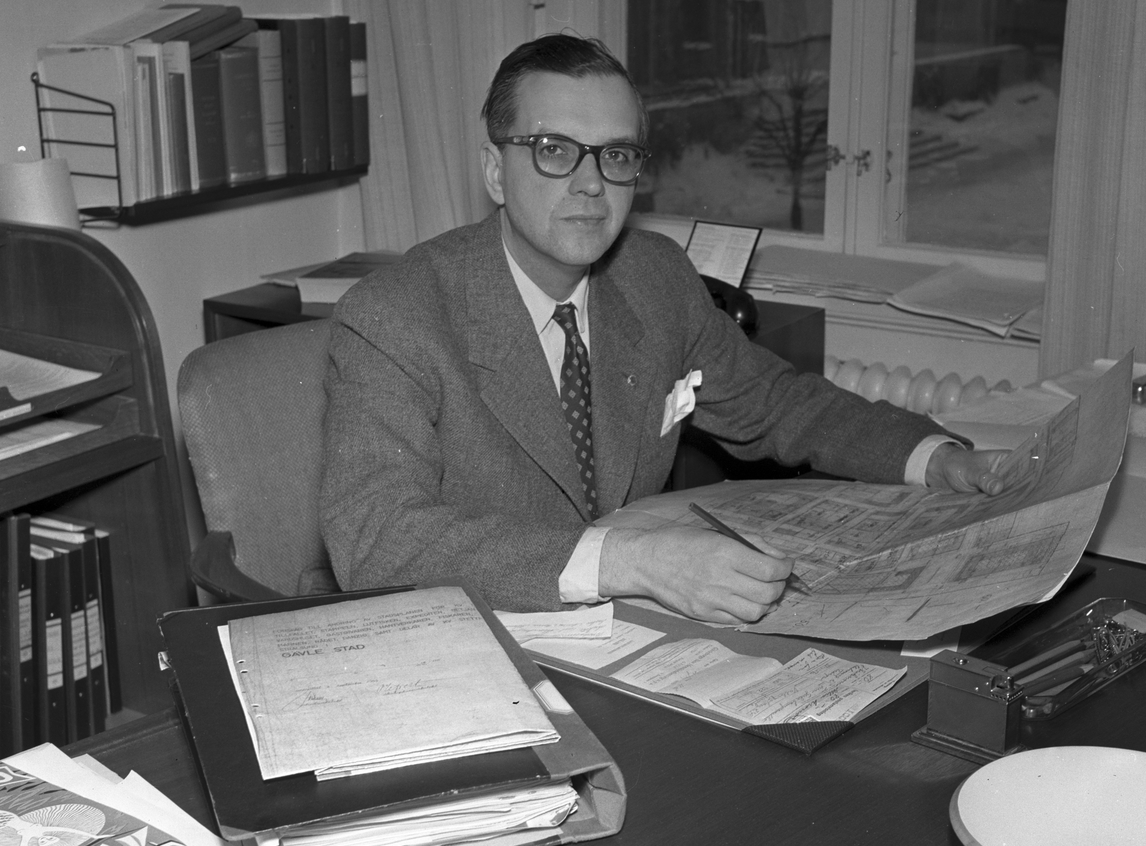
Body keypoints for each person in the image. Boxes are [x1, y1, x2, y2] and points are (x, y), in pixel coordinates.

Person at [321, 34, 1006, 623]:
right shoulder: (396, 315)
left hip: (628, 639)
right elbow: (378, 538)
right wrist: (636, 562)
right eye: (555, 150)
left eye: (616, 155)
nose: (591, 184)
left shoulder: (653, 277)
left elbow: (776, 403)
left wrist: (935, 458)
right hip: (473, 640)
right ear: (496, 172)